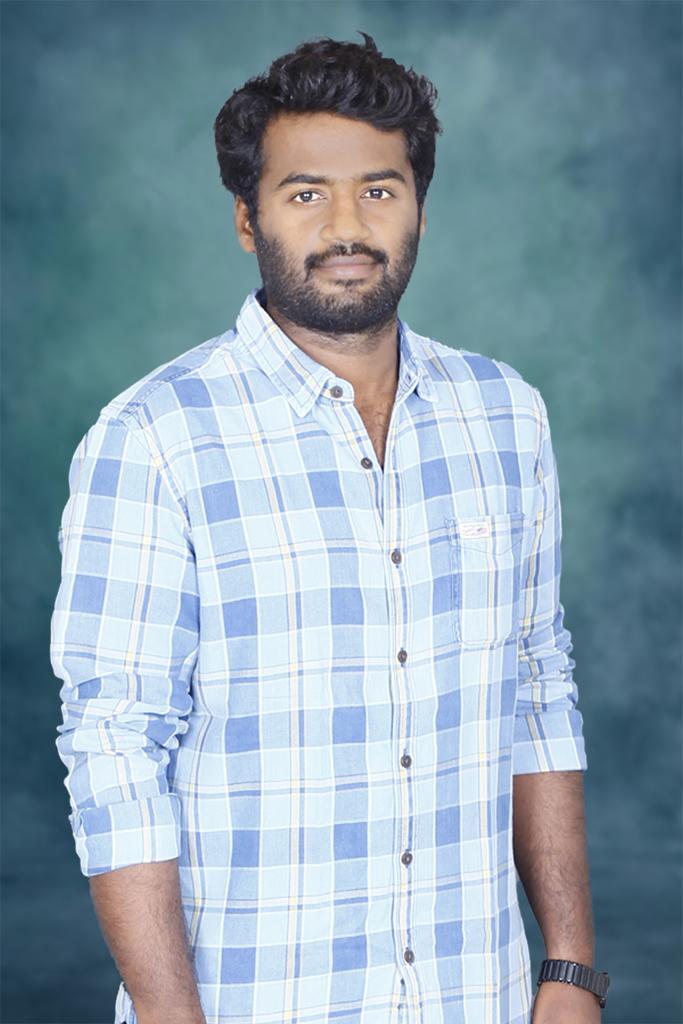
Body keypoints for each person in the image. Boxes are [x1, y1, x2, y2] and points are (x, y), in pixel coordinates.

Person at [49, 31, 608, 1024]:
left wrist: (568, 968)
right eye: (305, 193)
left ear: (420, 208)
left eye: (378, 190)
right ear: (246, 218)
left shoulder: (504, 415)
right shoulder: (154, 439)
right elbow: (115, 752)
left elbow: (535, 684)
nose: (346, 226)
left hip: (473, 994)